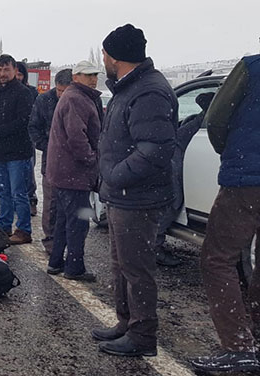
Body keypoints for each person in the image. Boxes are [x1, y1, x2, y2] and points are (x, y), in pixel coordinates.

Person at [92, 24, 177, 358]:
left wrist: (115, 175)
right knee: (121, 265)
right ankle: (126, 323)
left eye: (104, 53)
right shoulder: (129, 88)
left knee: (137, 269)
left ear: (115, 57)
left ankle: (142, 335)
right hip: (123, 195)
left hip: (137, 197)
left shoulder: (148, 92)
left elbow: (155, 149)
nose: (103, 59)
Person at [189, 54, 260, 373]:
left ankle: (238, 347)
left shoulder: (251, 67)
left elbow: (217, 117)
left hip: (248, 179)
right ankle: (254, 338)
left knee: (217, 258)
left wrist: (230, 153)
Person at [45, 61, 103, 282]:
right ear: (76, 77)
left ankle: (56, 262)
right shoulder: (77, 99)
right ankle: (74, 267)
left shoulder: (72, 97)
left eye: (95, 75)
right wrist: (91, 159)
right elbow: (77, 137)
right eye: (88, 75)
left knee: (63, 219)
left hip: (63, 171)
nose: (93, 79)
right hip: (73, 173)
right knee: (79, 221)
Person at [154, 91, 214, 267]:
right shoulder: (206, 120)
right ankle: (153, 247)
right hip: (177, 154)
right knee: (172, 200)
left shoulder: (201, 121)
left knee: (171, 200)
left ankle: (152, 246)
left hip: (176, 154)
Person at [0, 54, 35, 245]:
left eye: (6, 69)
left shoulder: (23, 93)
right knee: (2, 191)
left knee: (19, 193)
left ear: (14, 70)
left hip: (18, 152)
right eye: (0, 69)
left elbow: (23, 122)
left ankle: (24, 230)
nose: (3, 73)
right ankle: (4, 227)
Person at [29, 69, 71, 254]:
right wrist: (49, 146)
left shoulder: (82, 100)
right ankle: (51, 243)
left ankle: (72, 244)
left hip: (75, 163)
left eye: (66, 91)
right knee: (51, 203)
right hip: (51, 160)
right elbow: (34, 128)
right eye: (59, 91)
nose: (62, 95)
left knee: (72, 206)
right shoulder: (44, 100)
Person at [17, 62, 40, 216]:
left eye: (20, 74)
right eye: (16, 74)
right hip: (10, 139)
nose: (18, 77)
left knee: (28, 171)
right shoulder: (5, 92)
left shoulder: (32, 92)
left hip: (27, 138)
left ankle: (31, 200)